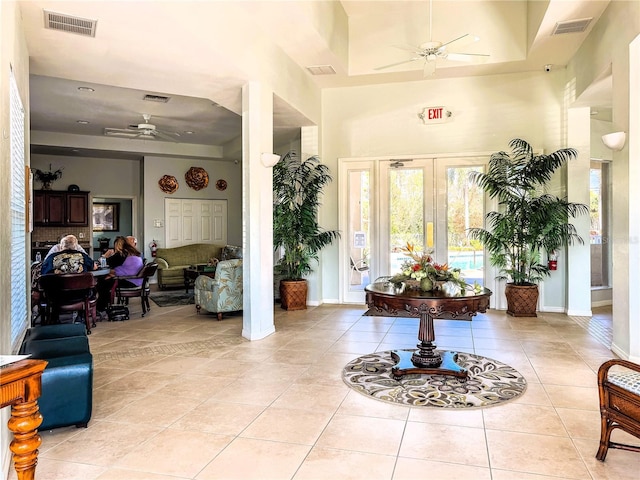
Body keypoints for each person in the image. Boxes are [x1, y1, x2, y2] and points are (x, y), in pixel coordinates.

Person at [96, 238, 144, 314]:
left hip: (130, 280)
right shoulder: (134, 253)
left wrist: (105, 256)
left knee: (102, 283)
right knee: (105, 280)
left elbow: (104, 263)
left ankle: (100, 307)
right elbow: (126, 269)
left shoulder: (121, 254)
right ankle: (103, 306)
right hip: (136, 280)